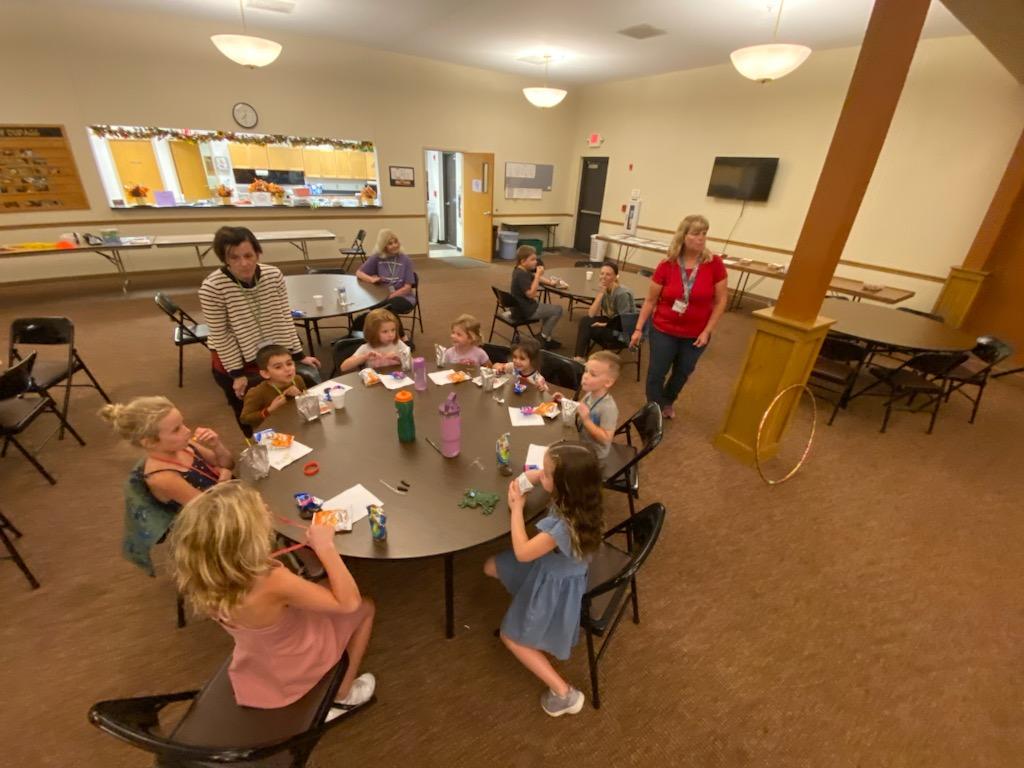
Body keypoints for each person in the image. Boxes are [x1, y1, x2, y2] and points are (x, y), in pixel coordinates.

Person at [171, 482, 376, 714]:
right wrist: (325, 546)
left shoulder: (204, 577)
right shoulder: (272, 580)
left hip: (262, 658)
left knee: (323, 585)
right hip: (300, 657)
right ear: (249, 540)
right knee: (366, 607)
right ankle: (343, 692)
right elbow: (349, 603)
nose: (268, 513)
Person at [483, 442, 605, 717]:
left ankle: (564, 694)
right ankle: (531, 617)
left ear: (563, 485)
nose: (542, 474)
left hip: (553, 583)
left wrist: (517, 508)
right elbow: (542, 475)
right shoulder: (584, 495)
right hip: (556, 567)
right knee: (491, 567)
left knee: (510, 637)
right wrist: (534, 476)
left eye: (548, 473)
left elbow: (524, 553)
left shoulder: (561, 528)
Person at [198, 226, 321, 432]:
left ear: (257, 252)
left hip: (269, 354)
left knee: (284, 399)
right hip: (233, 359)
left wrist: (298, 355)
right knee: (248, 408)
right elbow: (222, 335)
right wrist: (237, 374)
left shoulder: (273, 275)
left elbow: (284, 316)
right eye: (234, 257)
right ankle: (254, 446)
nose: (244, 263)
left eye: (248, 255)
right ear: (224, 259)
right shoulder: (213, 288)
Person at [100, 396, 234, 573]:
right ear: (149, 442)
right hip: (211, 524)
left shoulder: (185, 446)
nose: (187, 431)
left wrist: (216, 446)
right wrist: (224, 478)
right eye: (177, 429)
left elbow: (227, 463)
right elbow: (210, 509)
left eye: (183, 424)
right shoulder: (162, 477)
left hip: (226, 499)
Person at [630, 214, 728, 419]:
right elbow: (650, 301)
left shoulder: (714, 263)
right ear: (683, 236)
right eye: (695, 234)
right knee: (657, 372)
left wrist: (707, 331)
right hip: (664, 329)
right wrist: (639, 328)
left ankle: (667, 401)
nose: (701, 238)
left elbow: (721, 301)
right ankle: (654, 407)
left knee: (683, 372)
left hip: (696, 333)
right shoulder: (667, 264)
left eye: (704, 234)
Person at [353, 229, 416, 332]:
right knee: (380, 306)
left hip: (404, 296)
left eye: (396, 242)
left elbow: (407, 287)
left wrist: (391, 296)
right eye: (390, 243)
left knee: (386, 308)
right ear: (383, 246)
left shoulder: (406, 260)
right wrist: (371, 279)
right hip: (382, 296)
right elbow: (359, 273)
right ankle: (381, 334)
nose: (395, 245)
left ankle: (402, 336)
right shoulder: (377, 258)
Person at [573, 262, 635, 361]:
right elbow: (591, 314)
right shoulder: (605, 289)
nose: (603, 277)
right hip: (612, 322)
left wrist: (604, 325)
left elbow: (624, 322)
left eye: (608, 274)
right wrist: (601, 293)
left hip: (623, 332)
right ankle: (579, 358)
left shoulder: (621, 294)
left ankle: (579, 358)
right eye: (602, 273)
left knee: (588, 328)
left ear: (615, 277)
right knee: (585, 321)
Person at [240, 344, 309, 429]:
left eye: (289, 363)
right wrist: (270, 410)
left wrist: (300, 395)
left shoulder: (298, 379)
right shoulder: (257, 393)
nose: (287, 369)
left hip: (296, 423)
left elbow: (307, 400)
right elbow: (245, 419)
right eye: (278, 367)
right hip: (274, 432)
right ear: (265, 374)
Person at [509, 245, 563, 350]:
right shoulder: (521, 275)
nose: (536, 262)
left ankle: (547, 339)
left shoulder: (519, 270)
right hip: (526, 310)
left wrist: (551, 283)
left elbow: (532, 277)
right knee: (558, 310)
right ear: (523, 261)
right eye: (532, 259)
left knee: (549, 311)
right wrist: (538, 275)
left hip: (519, 308)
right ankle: (542, 338)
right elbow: (531, 294)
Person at [573, 351, 620, 461]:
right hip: (581, 440)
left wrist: (586, 420)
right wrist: (563, 401)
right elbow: (580, 408)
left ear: (608, 382)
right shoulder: (591, 393)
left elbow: (606, 439)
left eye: (593, 374)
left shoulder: (608, 408)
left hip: (595, 454)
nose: (585, 376)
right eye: (586, 371)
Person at [340, 308, 411, 372]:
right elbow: (344, 367)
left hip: (396, 381)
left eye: (393, 330)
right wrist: (364, 357)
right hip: (375, 383)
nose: (391, 335)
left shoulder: (398, 344)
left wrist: (398, 358)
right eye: (385, 331)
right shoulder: (366, 348)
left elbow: (412, 364)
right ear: (373, 332)